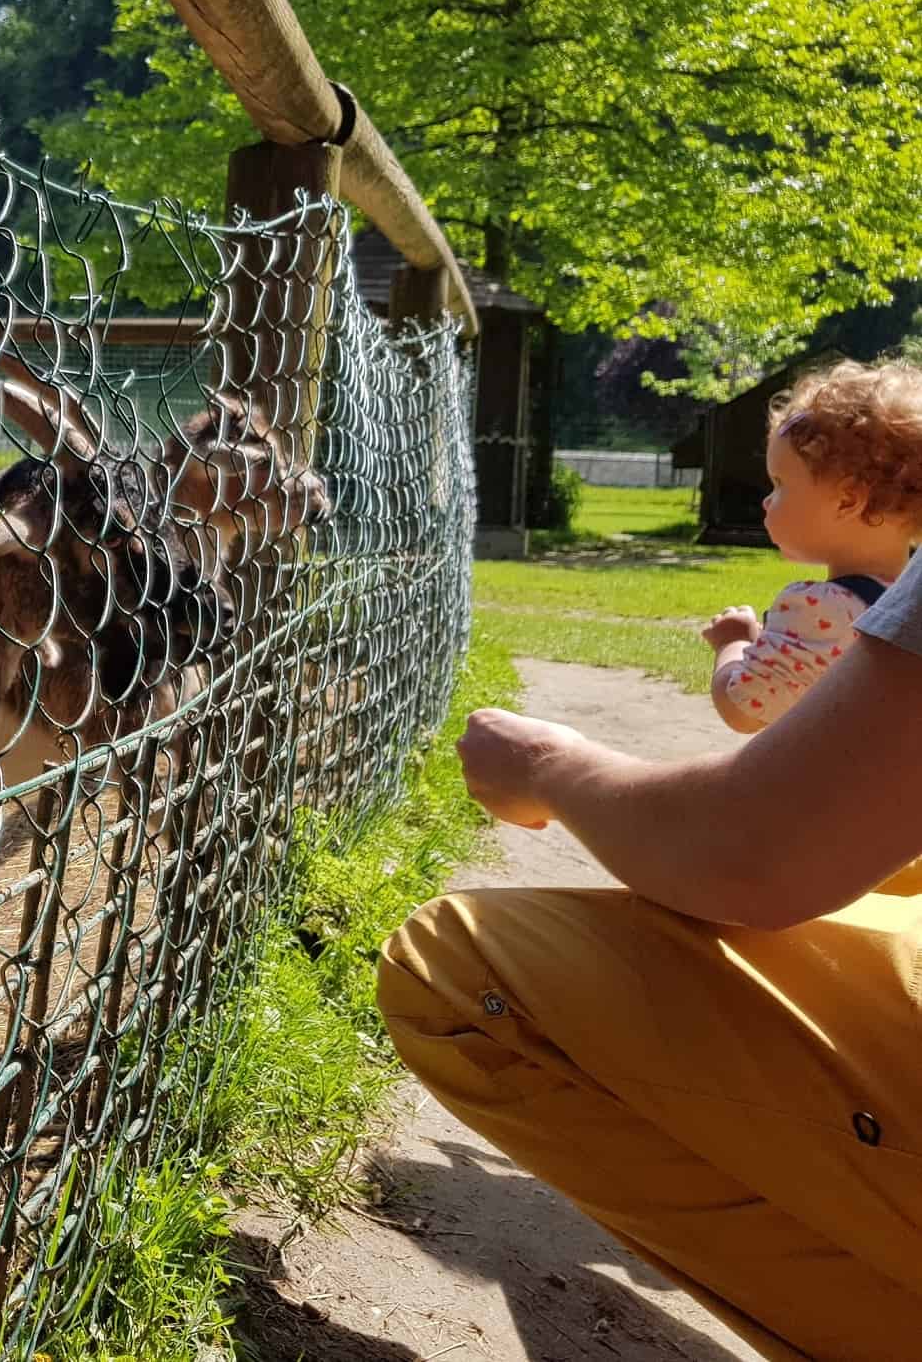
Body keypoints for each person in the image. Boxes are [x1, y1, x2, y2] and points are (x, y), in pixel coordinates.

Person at [379, 537, 922, 1360]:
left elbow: (749, 857)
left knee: (450, 964)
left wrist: (546, 766)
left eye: (781, 481)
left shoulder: (814, 604)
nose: (767, 503)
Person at [701, 360, 922, 732]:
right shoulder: (907, 606)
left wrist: (734, 642)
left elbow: (744, 707)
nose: (767, 502)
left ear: (847, 500)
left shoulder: (820, 609)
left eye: (780, 483)